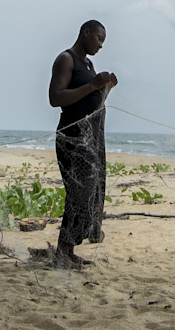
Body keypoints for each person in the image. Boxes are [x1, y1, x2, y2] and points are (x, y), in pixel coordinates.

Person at [48, 20, 118, 269]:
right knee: (78, 194)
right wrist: (93, 85)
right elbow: (55, 98)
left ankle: (68, 251)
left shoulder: (88, 64)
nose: (100, 45)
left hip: (89, 141)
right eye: (98, 39)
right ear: (85, 33)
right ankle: (62, 253)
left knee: (88, 194)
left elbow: (91, 101)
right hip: (72, 139)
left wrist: (105, 89)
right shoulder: (66, 59)